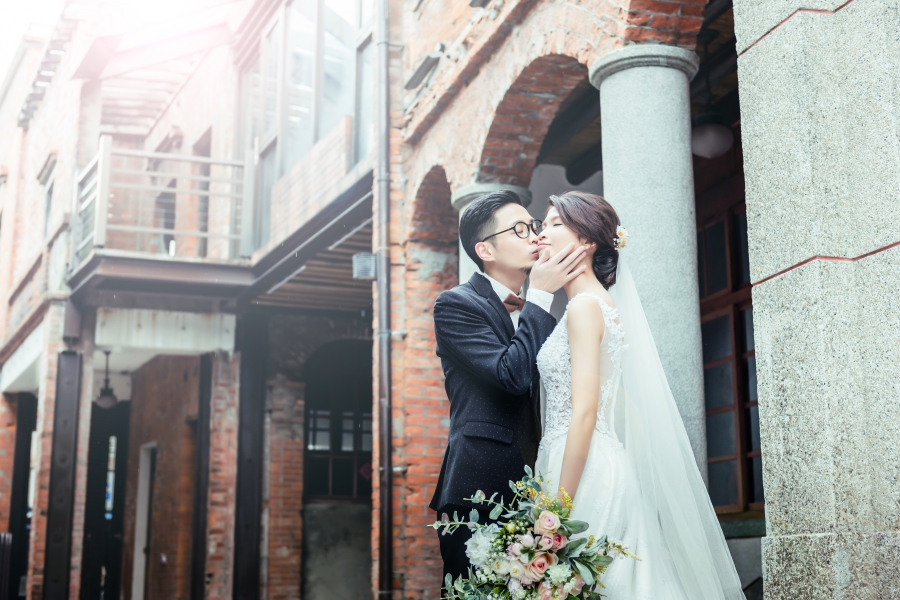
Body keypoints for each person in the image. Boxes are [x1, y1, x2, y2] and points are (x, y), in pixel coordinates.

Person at [533, 191, 745, 599]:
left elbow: (586, 414)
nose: (543, 233)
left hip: (581, 467)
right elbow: (624, 409)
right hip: (590, 459)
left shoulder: (583, 309)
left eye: (555, 224)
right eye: (543, 224)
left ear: (586, 242)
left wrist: (557, 509)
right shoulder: (598, 305)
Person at [430, 190, 586, 584]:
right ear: (485, 249)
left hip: (541, 486)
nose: (535, 236)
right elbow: (511, 377)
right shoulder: (456, 305)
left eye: (534, 226)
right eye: (520, 230)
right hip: (479, 486)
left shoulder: (542, 316)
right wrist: (542, 295)